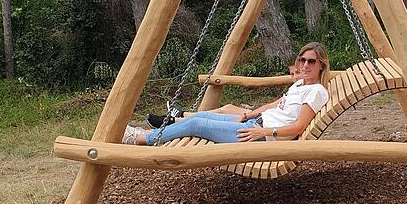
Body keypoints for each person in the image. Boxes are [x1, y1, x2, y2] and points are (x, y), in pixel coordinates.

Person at [123, 42, 330, 145]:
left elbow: (299, 127)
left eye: (311, 61)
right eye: (302, 60)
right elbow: (277, 103)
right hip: (255, 124)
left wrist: (264, 132)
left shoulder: (316, 91)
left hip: (258, 136)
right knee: (203, 115)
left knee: (196, 125)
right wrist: (249, 114)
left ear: (321, 65)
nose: (305, 65)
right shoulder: (300, 84)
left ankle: (141, 139)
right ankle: (163, 127)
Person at [145, 57, 301, 128]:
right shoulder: (296, 88)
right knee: (226, 107)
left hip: (267, 122)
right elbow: (274, 104)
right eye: (292, 74)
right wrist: (250, 114)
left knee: (217, 117)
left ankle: (173, 121)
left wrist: (248, 115)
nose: (294, 77)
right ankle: (181, 115)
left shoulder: (308, 91)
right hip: (264, 116)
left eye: (297, 73)